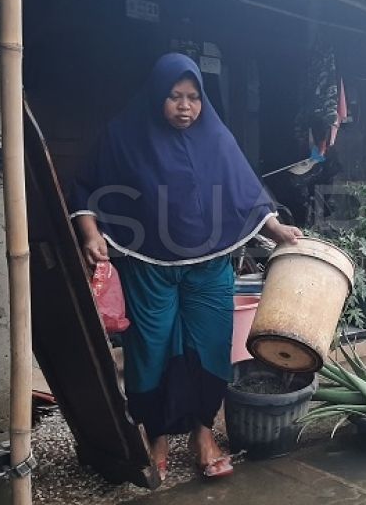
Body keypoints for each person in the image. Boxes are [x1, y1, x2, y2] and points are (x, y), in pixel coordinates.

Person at [69, 53, 300, 480]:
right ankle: (154, 433)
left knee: (210, 346)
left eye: (193, 97)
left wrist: (277, 231)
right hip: (149, 264)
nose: (185, 106)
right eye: (174, 96)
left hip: (209, 266)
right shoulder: (123, 135)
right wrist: (89, 233)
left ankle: (202, 433)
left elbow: (246, 193)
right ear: (158, 95)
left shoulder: (217, 137)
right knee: (151, 348)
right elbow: (84, 186)